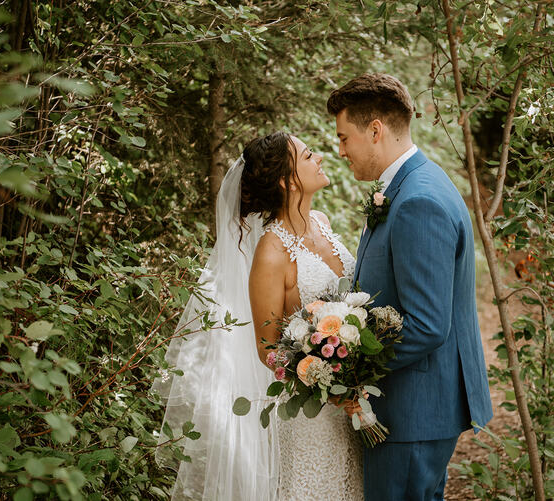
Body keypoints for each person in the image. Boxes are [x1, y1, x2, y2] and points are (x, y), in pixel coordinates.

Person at [154, 132, 363, 500]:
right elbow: (267, 348)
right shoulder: (271, 251)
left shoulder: (322, 221)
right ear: (287, 181)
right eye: (308, 156)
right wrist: (325, 381)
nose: (319, 158)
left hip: (352, 403)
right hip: (312, 413)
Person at [327, 73, 493, 501]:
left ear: (375, 130)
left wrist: (349, 368)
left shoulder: (418, 200)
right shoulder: (410, 185)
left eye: (344, 138)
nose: (340, 150)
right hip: (411, 408)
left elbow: (427, 324)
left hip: (412, 411)